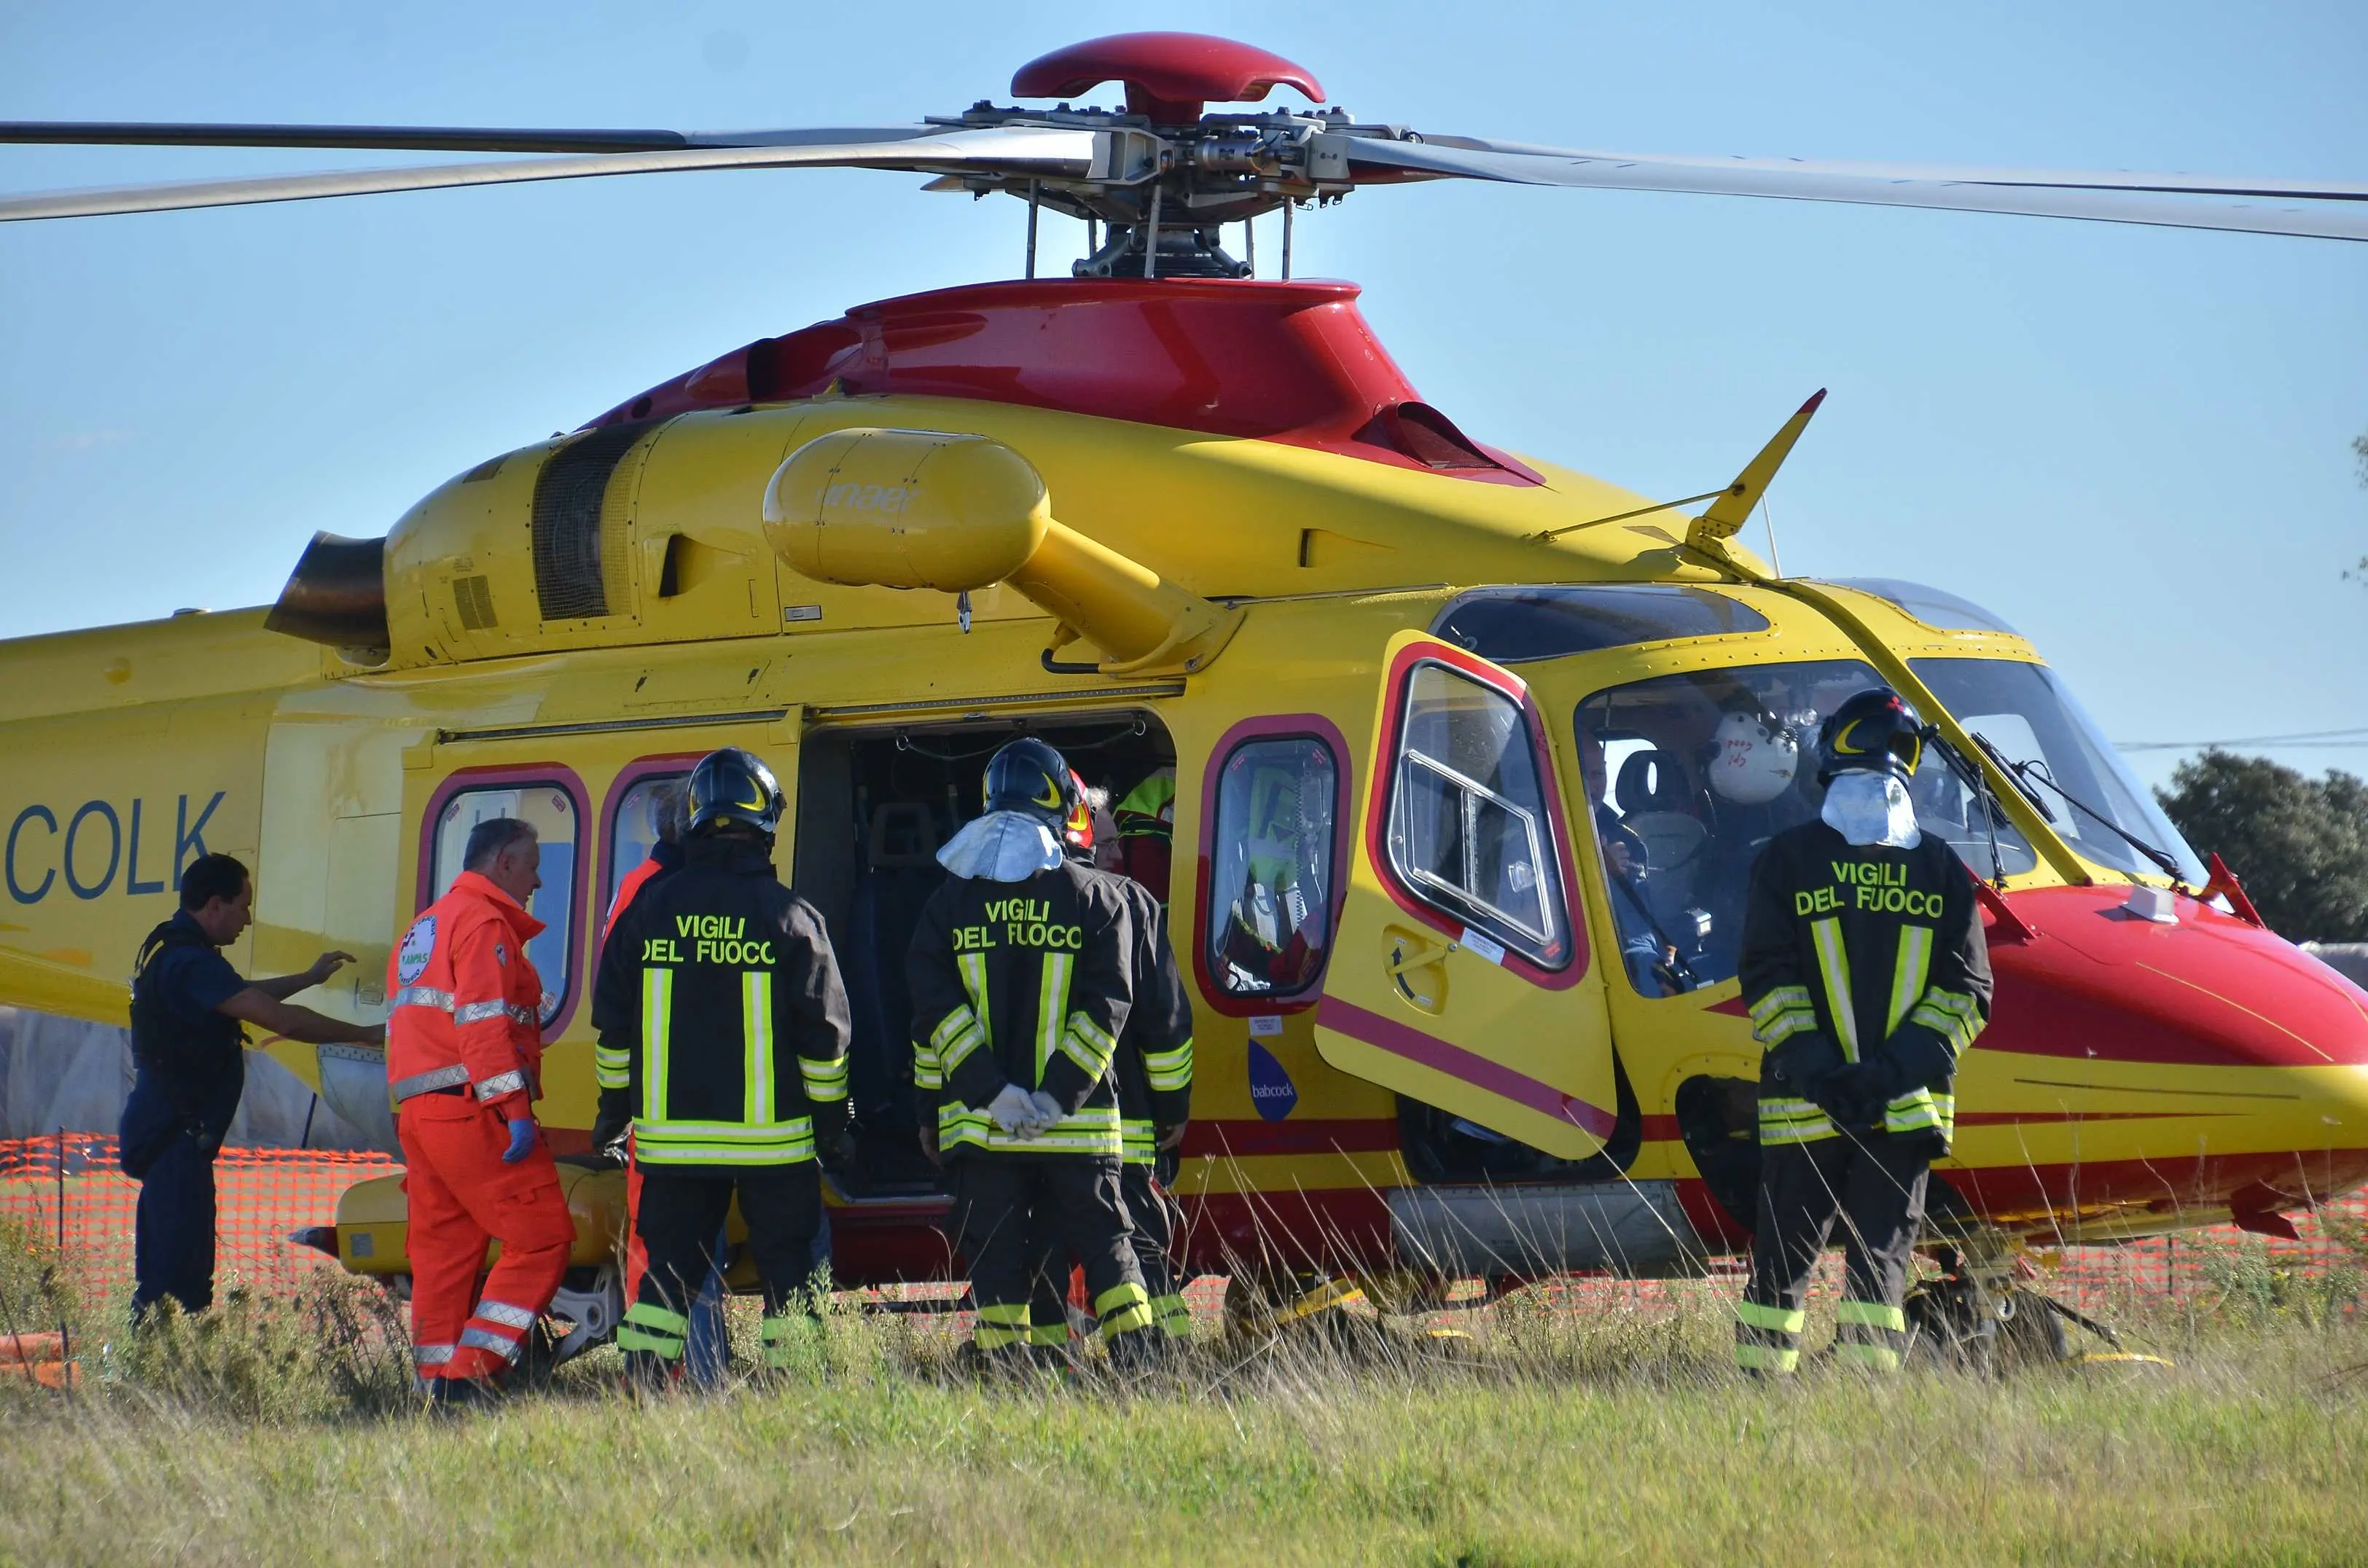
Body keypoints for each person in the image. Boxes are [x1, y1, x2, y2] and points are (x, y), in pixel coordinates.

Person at [1734, 688, 1992, 1376]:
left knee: (1781, 1259)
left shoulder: (1785, 859)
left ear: (1832, 751)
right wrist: (1890, 1075)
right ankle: (1861, 1398)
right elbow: (1968, 994)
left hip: (1802, 1102)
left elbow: (1764, 979)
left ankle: (1761, 1393)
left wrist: (1819, 1071)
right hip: (1902, 1109)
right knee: (1880, 1262)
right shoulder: (1941, 869)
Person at [594, 747, 853, 1384]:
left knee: (667, 1277)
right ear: (765, 821)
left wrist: (612, 1116)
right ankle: (796, 1393)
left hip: (672, 1147)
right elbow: (825, 1041)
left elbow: (613, 1033)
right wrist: (832, 1128)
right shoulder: (792, 917)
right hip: (774, 1147)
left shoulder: (648, 910)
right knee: (789, 1270)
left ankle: (647, 1386)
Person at [908, 737, 1154, 1369]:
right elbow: (1107, 1012)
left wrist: (982, 1098)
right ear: (1065, 806)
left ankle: (1010, 1378)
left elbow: (934, 1020)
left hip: (984, 1129)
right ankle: (1144, 1367)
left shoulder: (948, 903)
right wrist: (1055, 1098)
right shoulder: (1099, 898)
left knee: (999, 1259)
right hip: (1077, 1127)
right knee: (1106, 1246)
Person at [122, 852, 383, 1318]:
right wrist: (368, 1034)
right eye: (243, 906)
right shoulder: (191, 963)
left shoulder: (180, 953)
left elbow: (242, 994)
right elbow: (282, 1021)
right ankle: (151, 1379)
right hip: (174, 1140)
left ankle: (153, 1372)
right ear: (215, 905)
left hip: (167, 1135)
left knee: (171, 1272)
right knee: (178, 1282)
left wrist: (308, 978)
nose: (247, 919)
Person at [386, 818, 574, 1402]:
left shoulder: (423, 929)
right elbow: (483, 1027)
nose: (539, 880)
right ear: (504, 864)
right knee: (543, 1238)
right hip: (473, 1112)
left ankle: (433, 1388)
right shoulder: (483, 923)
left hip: (420, 1117)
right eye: (533, 864)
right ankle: (471, 1375)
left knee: (443, 1256)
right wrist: (514, 1111)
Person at [1026, 774, 1196, 1352]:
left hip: (1045, 1124)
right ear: (1078, 838)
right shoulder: (1135, 908)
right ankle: (1162, 1359)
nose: (1120, 850)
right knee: (1138, 1246)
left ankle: (1056, 1362)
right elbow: (1167, 1024)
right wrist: (1173, 1108)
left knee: (1051, 1245)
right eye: (1108, 839)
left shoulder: (1015, 913)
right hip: (1127, 1120)